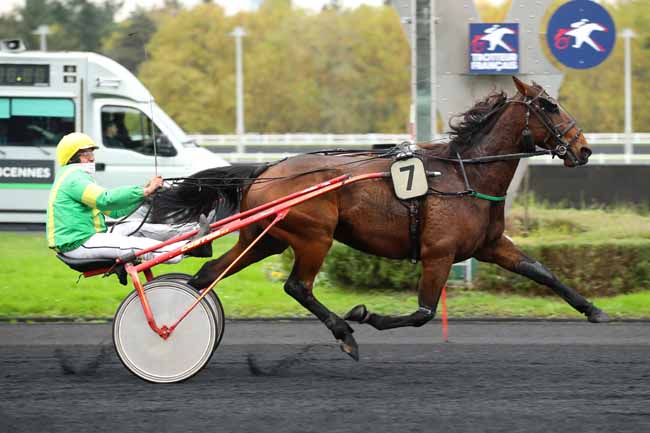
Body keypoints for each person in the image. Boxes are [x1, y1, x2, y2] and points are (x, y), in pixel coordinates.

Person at [46, 132, 212, 264]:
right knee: (137, 245)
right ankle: (190, 248)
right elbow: (106, 199)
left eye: (91, 153)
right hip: (78, 243)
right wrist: (144, 191)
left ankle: (196, 230)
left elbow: (115, 211)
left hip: (87, 237)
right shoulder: (73, 178)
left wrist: (145, 195)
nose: (92, 158)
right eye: (85, 154)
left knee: (135, 227)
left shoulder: (75, 177)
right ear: (72, 157)